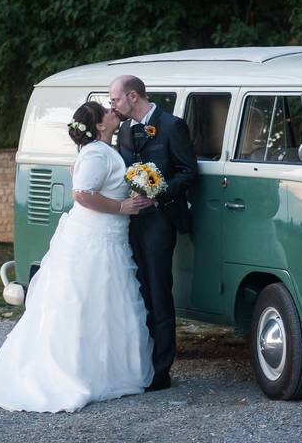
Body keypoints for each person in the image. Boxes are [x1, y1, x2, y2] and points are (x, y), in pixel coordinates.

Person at [0, 101, 154, 412]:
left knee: (106, 302)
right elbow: (82, 195)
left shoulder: (100, 151)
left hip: (108, 236)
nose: (113, 112)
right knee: (87, 301)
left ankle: (107, 370)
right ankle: (76, 372)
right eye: (107, 111)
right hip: (96, 237)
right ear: (99, 125)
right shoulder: (97, 153)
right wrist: (122, 207)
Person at [109, 75, 197, 392]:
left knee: (159, 291)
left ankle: (161, 370)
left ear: (133, 96)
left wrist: (158, 192)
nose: (112, 105)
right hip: (132, 221)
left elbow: (189, 172)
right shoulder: (124, 131)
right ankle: (141, 363)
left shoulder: (172, 126)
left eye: (115, 99)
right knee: (139, 291)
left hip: (161, 219)